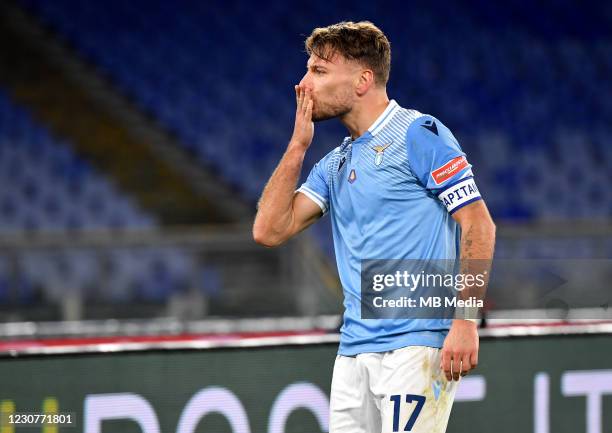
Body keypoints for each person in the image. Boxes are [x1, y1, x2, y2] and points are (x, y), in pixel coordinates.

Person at [253, 21, 495, 433]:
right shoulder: (335, 163)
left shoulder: (419, 134)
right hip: (353, 351)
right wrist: (297, 146)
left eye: (319, 71)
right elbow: (269, 230)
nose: (303, 84)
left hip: (416, 343)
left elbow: (478, 223)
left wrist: (466, 319)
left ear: (363, 80)